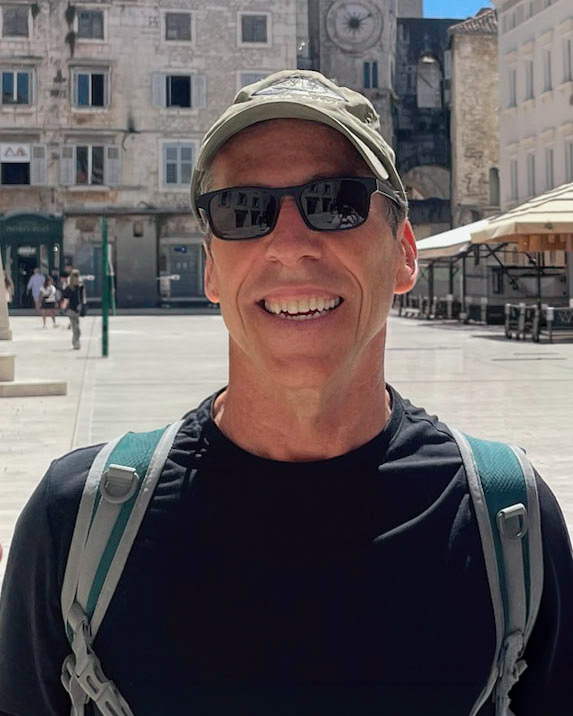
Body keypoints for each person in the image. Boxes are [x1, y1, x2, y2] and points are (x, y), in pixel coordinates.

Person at [0, 70, 572, 716]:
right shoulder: (76, 529)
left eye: (337, 201)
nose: (290, 245)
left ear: (404, 254)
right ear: (211, 269)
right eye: (243, 210)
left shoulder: (509, 526)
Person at [59, 269, 86, 350]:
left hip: (78, 310)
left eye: (77, 277)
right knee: (75, 328)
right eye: (75, 277)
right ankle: (76, 344)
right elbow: (65, 299)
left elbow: (83, 298)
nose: (76, 279)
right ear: (72, 278)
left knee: (77, 330)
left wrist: (83, 306)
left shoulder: (80, 287)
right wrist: (63, 308)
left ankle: (75, 342)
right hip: (71, 310)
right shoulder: (69, 288)